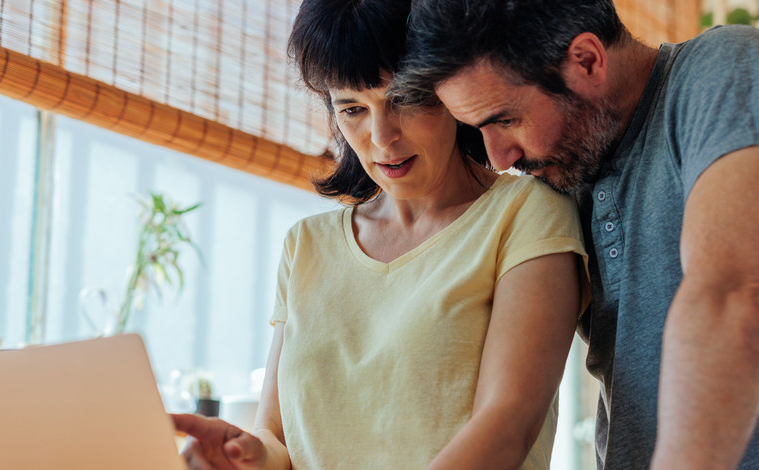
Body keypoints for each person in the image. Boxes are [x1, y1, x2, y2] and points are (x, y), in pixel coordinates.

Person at [392, 1, 759, 468]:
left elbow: (730, 294)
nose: (500, 156)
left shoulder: (723, 69)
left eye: (506, 119)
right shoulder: (566, 172)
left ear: (587, 61)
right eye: (478, 129)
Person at [171, 0, 589, 468]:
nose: (381, 136)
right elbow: (277, 439)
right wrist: (243, 455)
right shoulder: (306, 246)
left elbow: (509, 424)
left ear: (449, 86)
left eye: (404, 99)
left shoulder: (527, 213)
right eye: (353, 109)